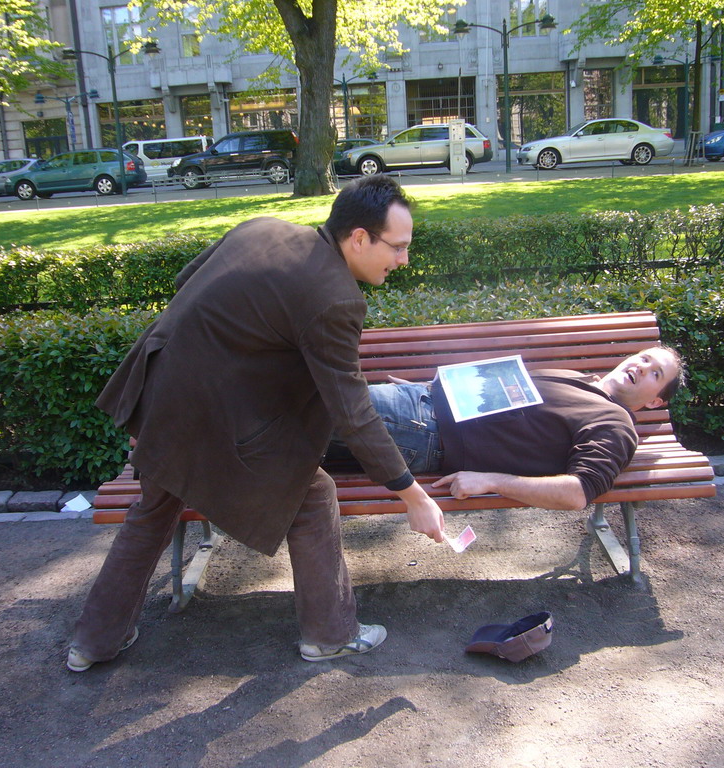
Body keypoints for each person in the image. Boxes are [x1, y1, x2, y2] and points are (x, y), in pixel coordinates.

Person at [67, 175, 445, 672]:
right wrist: (412, 495)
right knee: (311, 495)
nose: (403, 260)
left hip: (163, 397)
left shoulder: (260, 227)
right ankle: (330, 634)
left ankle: (92, 643)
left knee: (154, 507)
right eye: (397, 247)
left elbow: (189, 278)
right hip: (212, 418)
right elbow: (352, 413)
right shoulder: (336, 298)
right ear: (358, 238)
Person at [328, 347, 684, 511]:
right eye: (645, 357)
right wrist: (432, 389)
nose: (643, 366)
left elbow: (579, 492)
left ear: (656, 402)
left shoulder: (615, 424)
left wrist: (493, 480)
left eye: (656, 374)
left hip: (426, 429)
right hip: (421, 406)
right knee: (297, 441)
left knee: (309, 405)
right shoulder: (582, 381)